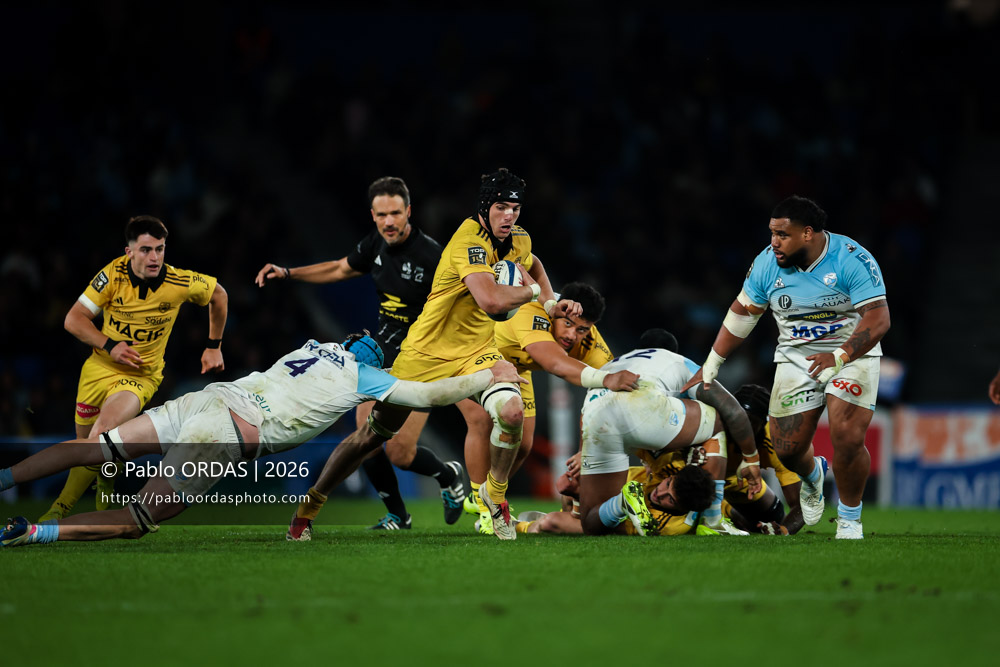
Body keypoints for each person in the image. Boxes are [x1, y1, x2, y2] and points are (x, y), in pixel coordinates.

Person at [287, 167, 604, 542]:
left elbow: (531, 261)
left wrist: (550, 302)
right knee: (372, 437)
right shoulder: (467, 242)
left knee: (512, 413)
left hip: (478, 353)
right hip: (424, 353)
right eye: (501, 208)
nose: (509, 216)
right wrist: (533, 294)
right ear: (485, 208)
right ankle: (308, 507)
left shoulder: (518, 238)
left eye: (515, 210)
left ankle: (494, 497)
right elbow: (490, 300)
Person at [0, 335, 526, 547]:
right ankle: (31, 532)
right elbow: (428, 393)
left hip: (205, 401)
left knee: (100, 448)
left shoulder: (310, 346)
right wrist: (483, 380)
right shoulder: (362, 376)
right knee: (140, 519)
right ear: (369, 359)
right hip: (222, 435)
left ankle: (5, 478)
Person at [255, 177, 464, 531]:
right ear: (373, 215)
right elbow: (339, 268)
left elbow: (461, 310)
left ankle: (448, 475)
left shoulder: (433, 257)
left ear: (408, 211)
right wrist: (289, 272)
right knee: (366, 442)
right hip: (381, 353)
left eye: (396, 213)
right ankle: (399, 516)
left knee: (400, 453)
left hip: (420, 360)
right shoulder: (375, 244)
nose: (389, 222)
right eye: (382, 214)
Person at [685, 195, 890, 539]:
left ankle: (850, 518)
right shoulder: (767, 264)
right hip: (796, 357)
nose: (774, 242)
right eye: (772, 233)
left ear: (808, 233)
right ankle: (813, 475)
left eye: (783, 234)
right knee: (786, 449)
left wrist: (839, 356)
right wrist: (712, 363)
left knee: (847, 434)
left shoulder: (851, 259)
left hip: (852, 354)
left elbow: (879, 318)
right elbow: (744, 312)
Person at [40, 215, 228, 522]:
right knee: (86, 445)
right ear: (129, 251)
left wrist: (214, 345)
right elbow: (73, 320)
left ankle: (57, 510)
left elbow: (219, 294)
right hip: (98, 369)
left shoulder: (180, 282)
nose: (154, 257)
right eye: (145, 250)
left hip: (140, 377)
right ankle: (106, 478)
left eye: (160, 249)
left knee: (101, 434)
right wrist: (111, 345)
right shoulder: (112, 275)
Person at [461, 281, 638, 534]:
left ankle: (483, 494)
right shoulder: (532, 313)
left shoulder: (590, 342)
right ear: (556, 311)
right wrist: (608, 378)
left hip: (516, 369)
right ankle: (484, 507)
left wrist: (587, 450)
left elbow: (604, 397)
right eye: (567, 324)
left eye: (582, 329)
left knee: (522, 445)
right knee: (481, 422)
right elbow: (555, 364)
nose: (571, 335)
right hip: (476, 353)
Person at [577, 329, 762, 536]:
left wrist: (581, 452)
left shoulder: (614, 363)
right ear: (672, 351)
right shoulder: (678, 361)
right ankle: (712, 520)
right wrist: (751, 458)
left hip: (596, 421)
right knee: (719, 418)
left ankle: (621, 503)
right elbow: (733, 411)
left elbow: (587, 412)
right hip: (642, 406)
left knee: (591, 522)